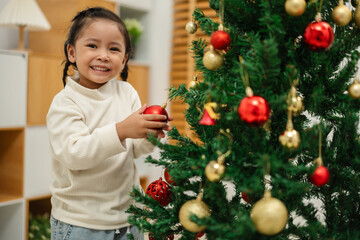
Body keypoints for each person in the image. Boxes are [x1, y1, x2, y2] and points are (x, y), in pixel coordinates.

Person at [46, 7, 172, 240]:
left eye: (113, 49)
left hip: (128, 219)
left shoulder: (126, 92)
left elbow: (134, 150)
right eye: (92, 46)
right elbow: (75, 154)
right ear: (72, 52)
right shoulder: (65, 102)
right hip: (80, 224)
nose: (103, 55)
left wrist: (150, 134)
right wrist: (122, 130)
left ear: (124, 60)